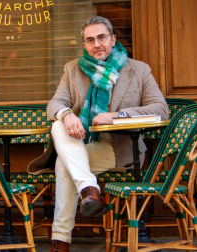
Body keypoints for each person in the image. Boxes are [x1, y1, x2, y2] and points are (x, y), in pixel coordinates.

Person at [27, 16, 169, 251]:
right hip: (82, 144)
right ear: (84, 45)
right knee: (58, 123)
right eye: (90, 40)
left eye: (101, 37)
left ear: (113, 39)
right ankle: (89, 190)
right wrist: (67, 115)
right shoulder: (72, 69)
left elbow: (161, 109)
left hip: (122, 149)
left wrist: (118, 115)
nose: (97, 44)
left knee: (64, 163)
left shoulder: (138, 70)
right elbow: (54, 104)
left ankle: (60, 241)